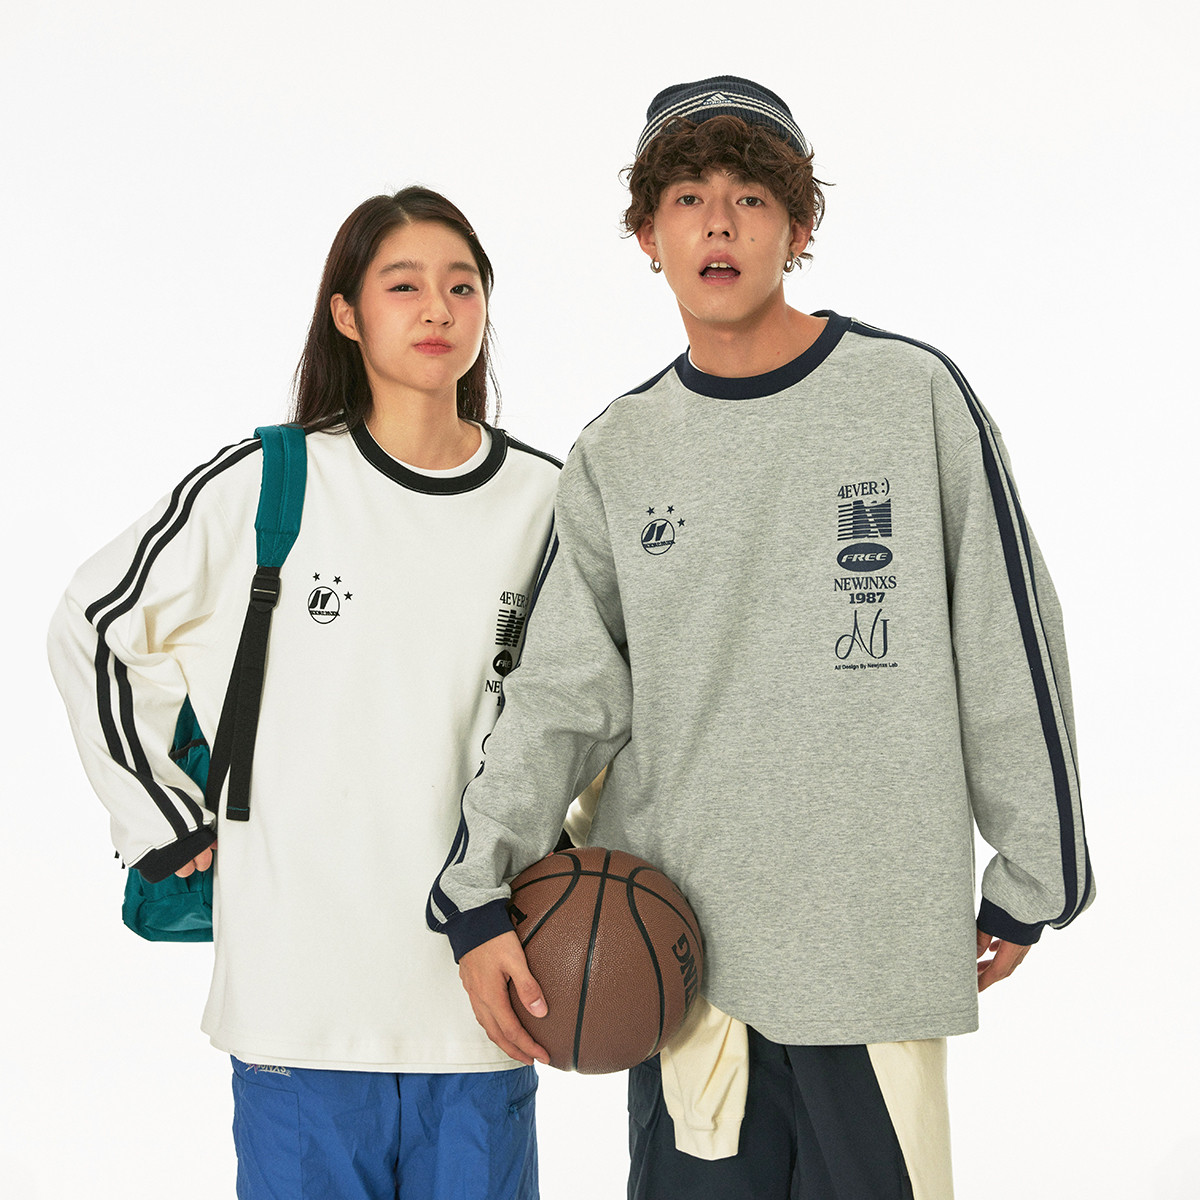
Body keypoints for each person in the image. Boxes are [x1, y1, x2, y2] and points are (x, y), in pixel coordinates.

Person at [426, 78, 1093, 1200]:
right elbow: (561, 696)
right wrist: (478, 888)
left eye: (750, 197)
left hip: (866, 946)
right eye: (688, 199)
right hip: (684, 966)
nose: (720, 224)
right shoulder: (619, 451)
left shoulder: (911, 397)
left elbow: (1004, 636)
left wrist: (1038, 869)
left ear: (800, 227)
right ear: (649, 236)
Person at [48, 186, 560, 1199]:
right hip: (299, 1006)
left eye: (463, 286)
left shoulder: (545, 501)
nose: (438, 308)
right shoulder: (268, 482)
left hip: (480, 1005)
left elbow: (587, 721)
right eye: (403, 285)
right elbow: (95, 625)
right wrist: (161, 820)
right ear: (346, 314)